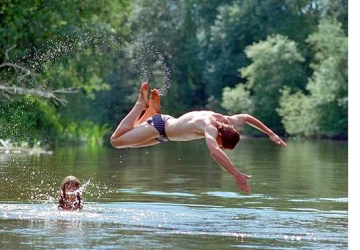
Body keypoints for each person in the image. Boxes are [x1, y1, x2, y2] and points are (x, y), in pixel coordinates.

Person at [110, 81, 287, 193]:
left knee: (128, 144)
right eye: (222, 144)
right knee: (116, 141)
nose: (220, 145)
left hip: (164, 136)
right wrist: (236, 174)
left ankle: (149, 113)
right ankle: (141, 106)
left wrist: (271, 133)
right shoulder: (210, 127)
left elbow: (247, 118)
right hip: (160, 126)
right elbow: (215, 152)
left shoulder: (227, 121)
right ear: (220, 137)